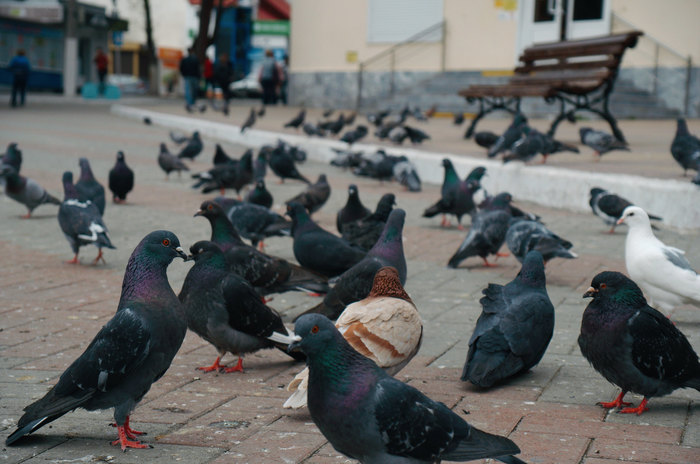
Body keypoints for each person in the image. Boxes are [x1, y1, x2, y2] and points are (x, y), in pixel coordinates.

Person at [179, 47, 201, 111]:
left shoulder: (185, 59)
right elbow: (198, 69)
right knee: (193, 91)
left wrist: (184, 74)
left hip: (188, 76)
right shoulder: (195, 59)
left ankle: (190, 104)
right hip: (194, 77)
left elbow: (181, 68)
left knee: (189, 91)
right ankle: (192, 103)